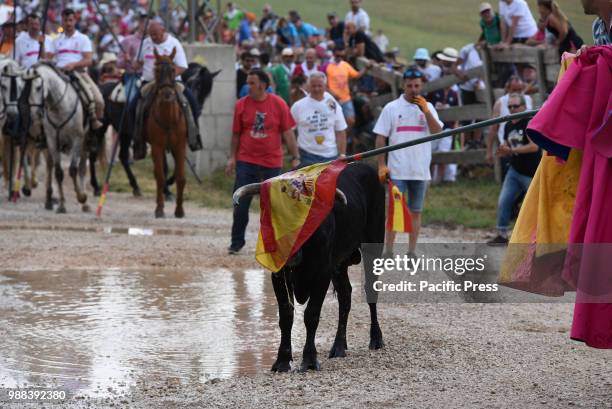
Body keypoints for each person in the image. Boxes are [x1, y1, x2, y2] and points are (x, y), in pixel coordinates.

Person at [226, 69, 300, 254]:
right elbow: (236, 134)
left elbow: (288, 133)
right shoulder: (241, 104)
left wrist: (295, 156)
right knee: (240, 205)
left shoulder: (278, 103)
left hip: (272, 162)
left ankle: (273, 245)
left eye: (251, 83)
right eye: (247, 82)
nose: (247, 86)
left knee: (273, 207)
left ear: (262, 85)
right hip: (246, 160)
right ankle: (236, 243)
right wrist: (232, 157)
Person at [374, 68, 443, 256]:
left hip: (420, 170)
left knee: (416, 212)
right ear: (403, 85)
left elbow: (438, 131)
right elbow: (380, 138)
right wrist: (381, 165)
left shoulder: (428, 107)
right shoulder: (391, 108)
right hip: (397, 170)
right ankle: (388, 250)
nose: (414, 89)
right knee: (394, 212)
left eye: (417, 86)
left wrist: (426, 111)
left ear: (422, 86)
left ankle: (411, 251)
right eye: (410, 85)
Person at [134, 20, 201, 157]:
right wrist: (136, 64)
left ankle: (194, 137)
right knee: (132, 106)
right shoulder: (146, 43)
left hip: (171, 83)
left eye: (156, 35)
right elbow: (140, 61)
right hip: (149, 83)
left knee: (193, 104)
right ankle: (138, 141)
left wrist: (167, 77)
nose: (153, 38)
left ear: (163, 31)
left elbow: (182, 66)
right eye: (151, 35)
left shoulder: (173, 44)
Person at [488, 94, 541, 245]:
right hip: (515, 170)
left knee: (535, 204)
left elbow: (534, 146)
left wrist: (512, 150)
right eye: (509, 107)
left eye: (515, 106)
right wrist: (503, 149)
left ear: (523, 107)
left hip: (531, 172)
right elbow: (506, 144)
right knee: (504, 201)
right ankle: (502, 234)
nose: (512, 109)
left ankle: (538, 235)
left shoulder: (529, 122)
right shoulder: (508, 124)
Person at [51, 8, 104, 130]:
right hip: (59, 74)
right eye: (65, 20)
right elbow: (48, 58)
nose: (68, 23)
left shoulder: (83, 38)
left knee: (98, 100)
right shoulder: (56, 40)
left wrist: (73, 65)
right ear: (61, 21)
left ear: (75, 21)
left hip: (79, 73)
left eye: (70, 20)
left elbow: (88, 60)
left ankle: (94, 129)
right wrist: (42, 44)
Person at [290, 72, 347, 166]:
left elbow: (341, 130)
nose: (316, 89)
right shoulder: (298, 106)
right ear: (308, 87)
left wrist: (342, 154)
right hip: (306, 155)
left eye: (319, 86)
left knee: (329, 181)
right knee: (308, 181)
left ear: (325, 86)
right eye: (313, 86)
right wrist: (295, 156)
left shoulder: (332, 103)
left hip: (331, 155)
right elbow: (289, 132)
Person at [486, 75, 534, 166]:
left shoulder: (528, 99)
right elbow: (493, 128)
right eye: (514, 90)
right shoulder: (500, 103)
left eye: (519, 90)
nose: (517, 92)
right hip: (508, 146)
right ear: (508, 89)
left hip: (527, 147)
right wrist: (489, 151)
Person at [325, 44, 370, 129]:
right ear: (333, 54)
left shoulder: (345, 65)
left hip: (346, 98)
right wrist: (331, 92)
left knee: (351, 121)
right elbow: (323, 83)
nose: (340, 57)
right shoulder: (327, 66)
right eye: (338, 55)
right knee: (332, 123)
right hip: (332, 99)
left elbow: (356, 75)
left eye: (342, 56)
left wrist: (366, 68)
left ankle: (345, 139)